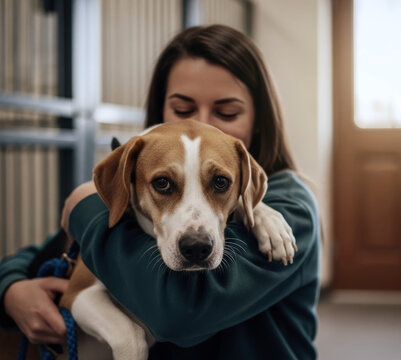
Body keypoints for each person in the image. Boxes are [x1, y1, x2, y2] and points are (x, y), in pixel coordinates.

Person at [0, 24, 321, 359]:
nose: (201, 126)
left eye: (226, 112)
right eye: (182, 110)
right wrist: (11, 289)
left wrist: (84, 206)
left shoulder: (293, 207)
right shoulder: (131, 181)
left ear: (258, 118)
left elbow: (181, 314)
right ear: (160, 109)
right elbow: (47, 251)